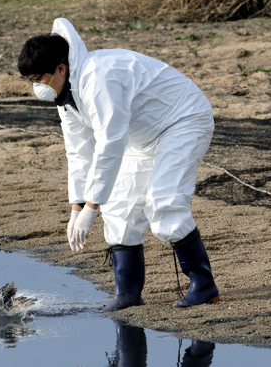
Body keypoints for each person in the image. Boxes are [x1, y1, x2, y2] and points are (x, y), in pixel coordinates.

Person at [18, 18, 220, 311]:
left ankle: (204, 286)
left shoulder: (100, 77)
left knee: (163, 202)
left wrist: (92, 207)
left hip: (182, 121)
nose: (37, 86)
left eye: (39, 79)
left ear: (61, 68)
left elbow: (110, 144)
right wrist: (77, 206)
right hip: (142, 137)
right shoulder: (65, 94)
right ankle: (128, 294)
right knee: (119, 210)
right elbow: (78, 151)